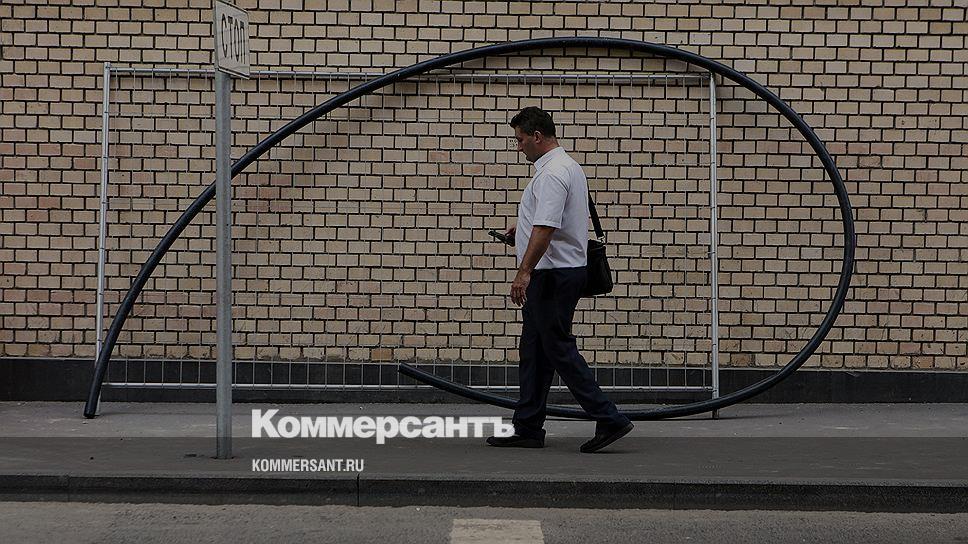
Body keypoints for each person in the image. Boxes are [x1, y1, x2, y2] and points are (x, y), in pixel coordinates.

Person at [486, 106, 633, 453]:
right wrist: (521, 229)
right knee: (535, 350)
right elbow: (554, 220)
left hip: (551, 275)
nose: (518, 147)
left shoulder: (552, 174)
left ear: (537, 137)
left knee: (558, 348)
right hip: (559, 271)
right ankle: (527, 427)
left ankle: (609, 417)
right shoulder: (568, 167)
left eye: (520, 140)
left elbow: (546, 227)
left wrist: (523, 272)